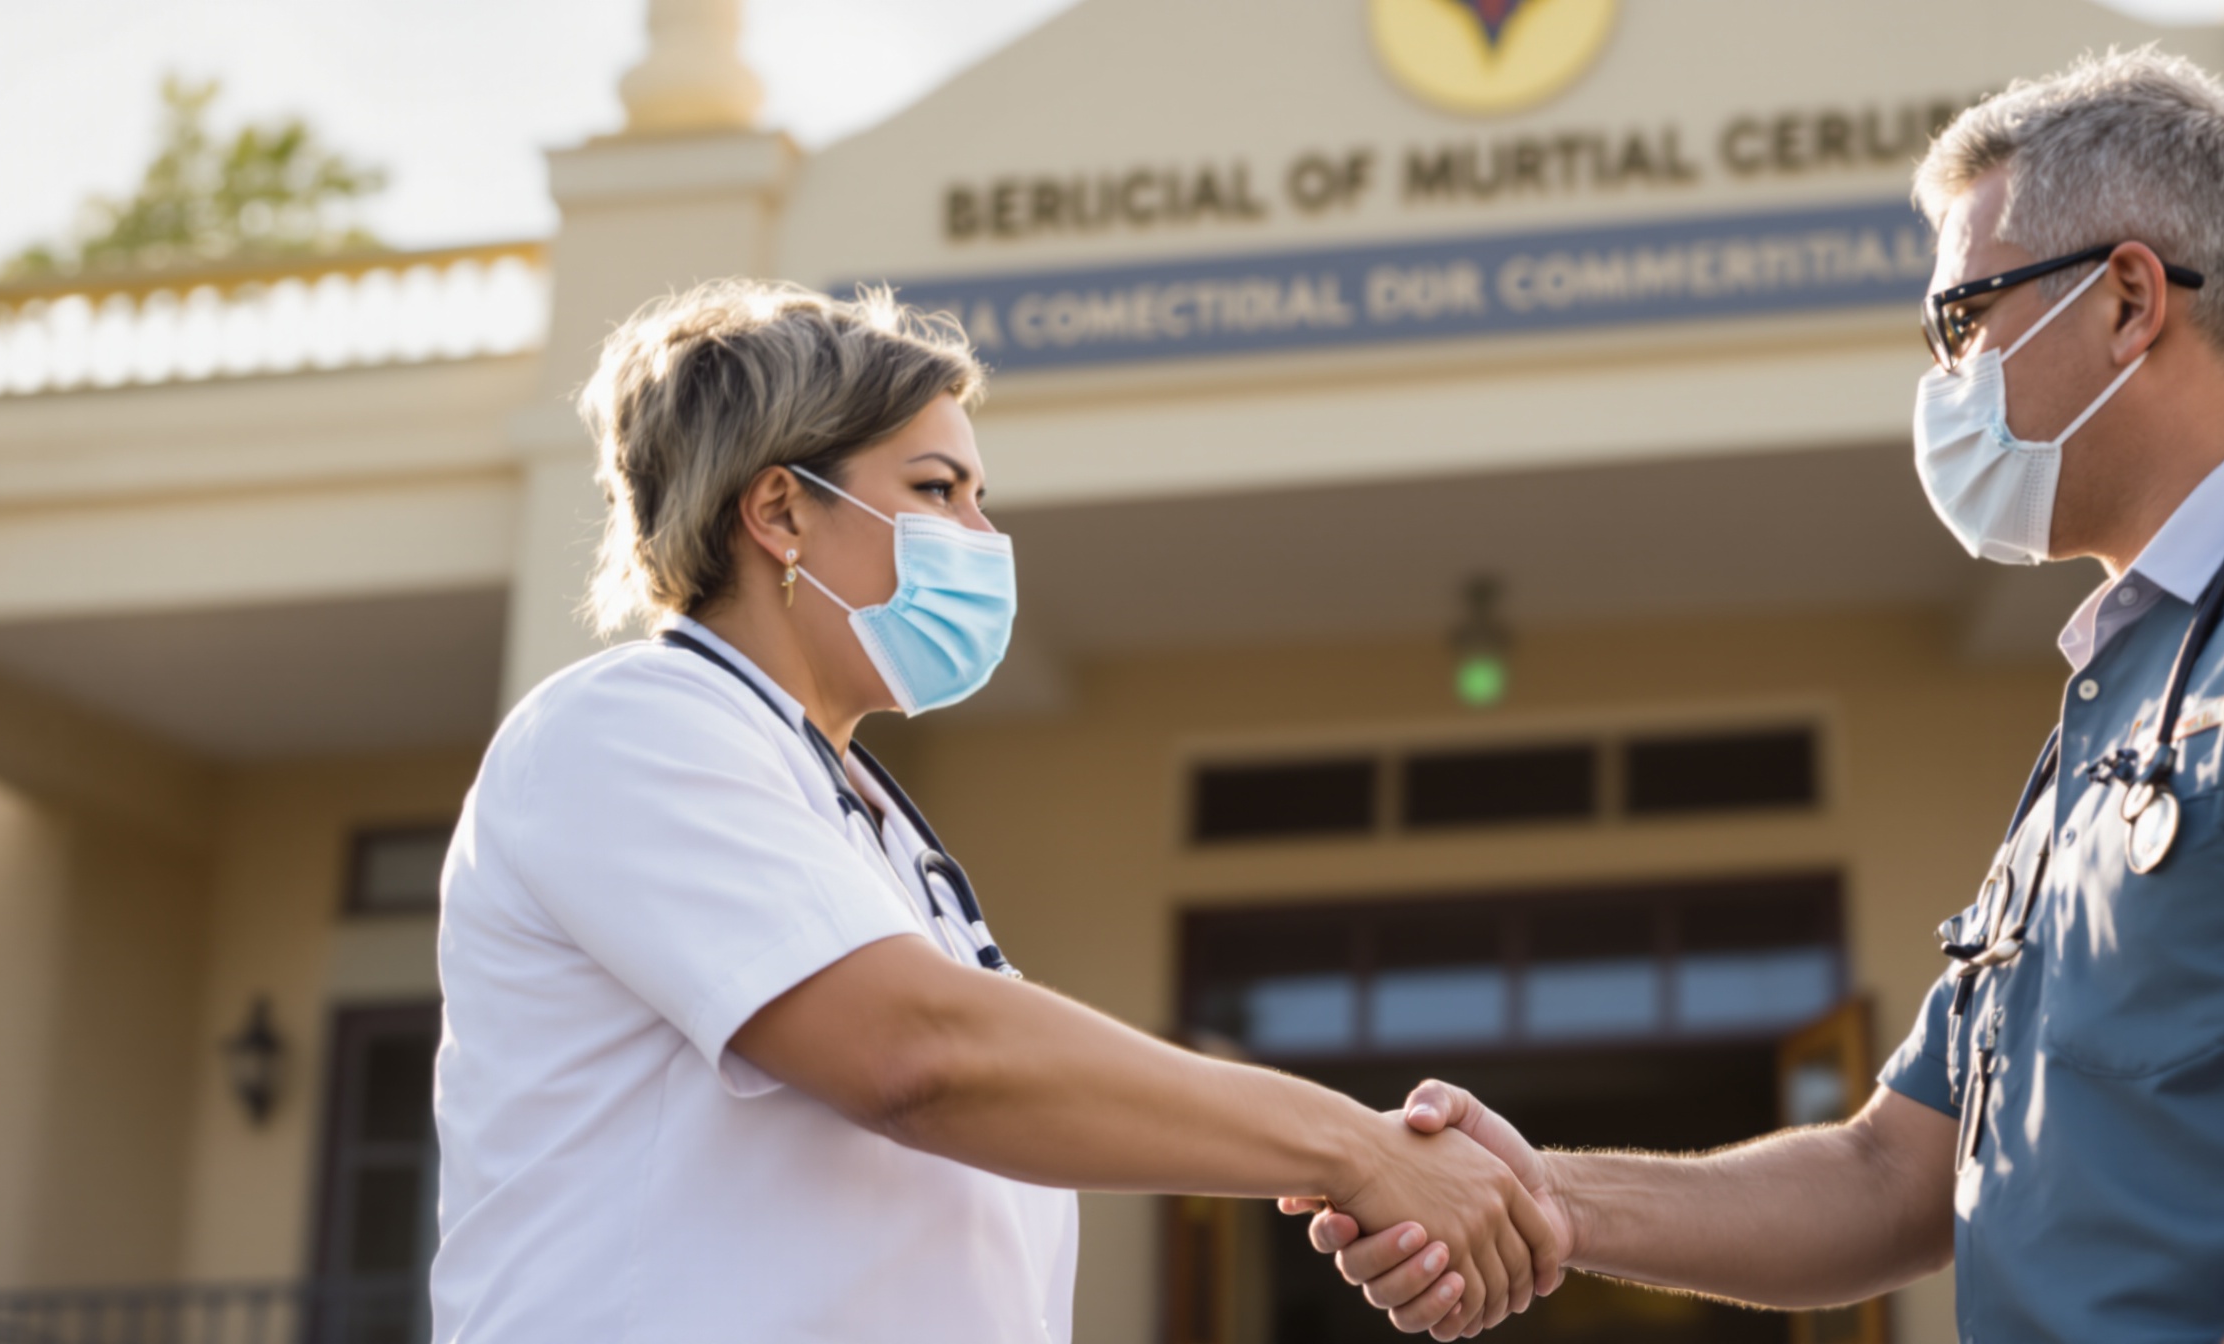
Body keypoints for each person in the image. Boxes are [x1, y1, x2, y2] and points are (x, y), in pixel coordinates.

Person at [1294, 47, 2224, 1344]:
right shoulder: (2113, 708)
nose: (1945, 380)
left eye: (1963, 317)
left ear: (2131, 300)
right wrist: (1535, 1194)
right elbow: (1891, 1174)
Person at [428, 280, 1559, 1343]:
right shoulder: (629, 726)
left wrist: (1367, 1161)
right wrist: (1354, 1149)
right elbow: (920, 1057)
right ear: (779, 509)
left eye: (980, 498)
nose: (978, 535)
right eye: (934, 490)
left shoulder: (860, 811)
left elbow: (1008, 1093)